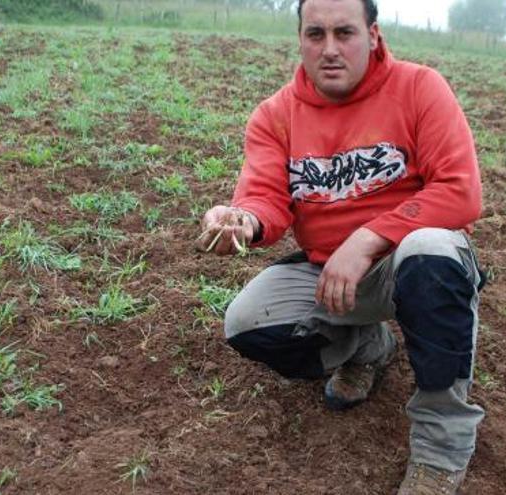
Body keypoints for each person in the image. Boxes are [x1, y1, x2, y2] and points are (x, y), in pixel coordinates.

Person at [195, 0, 484, 492]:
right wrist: (241, 219)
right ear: (300, 40)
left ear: (373, 35)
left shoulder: (419, 88)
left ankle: (440, 450)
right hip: (332, 276)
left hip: (408, 263)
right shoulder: (275, 115)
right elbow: (265, 198)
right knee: (246, 322)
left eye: (344, 33)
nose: (329, 49)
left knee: (432, 252)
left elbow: (460, 190)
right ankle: (369, 347)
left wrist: (368, 238)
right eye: (315, 34)